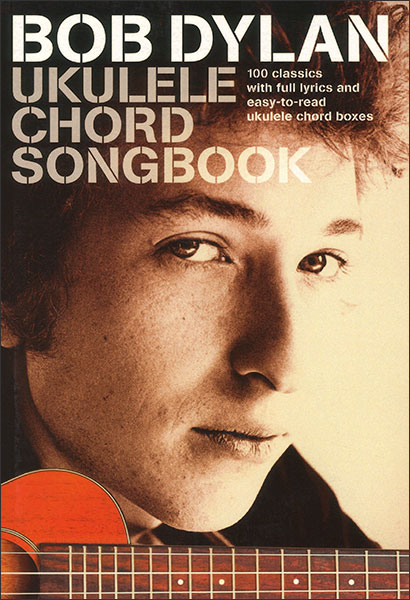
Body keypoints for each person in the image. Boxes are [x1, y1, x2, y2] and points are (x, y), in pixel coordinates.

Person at [1, 0, 408, 549]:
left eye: (318, 261)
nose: (283, 368)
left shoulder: (279, 502)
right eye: (193, 249)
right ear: (14, 283)